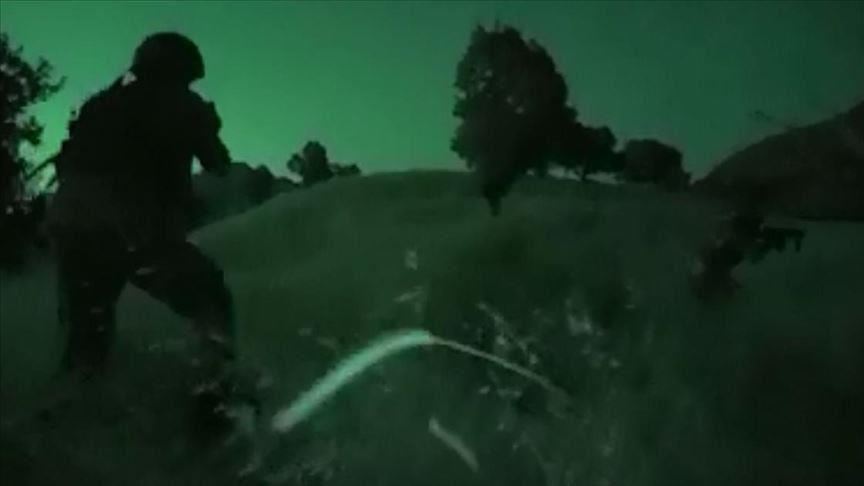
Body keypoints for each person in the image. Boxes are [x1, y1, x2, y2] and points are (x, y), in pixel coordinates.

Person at [44, 32, 253, 437]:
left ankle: (52, 429)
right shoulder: (180, 104)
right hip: (128, 226)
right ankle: (214, 408)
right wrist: (207, 125)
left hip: (71, 227)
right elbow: (218, 165)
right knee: (211, 297)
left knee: (86, 344)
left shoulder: (104, 103)